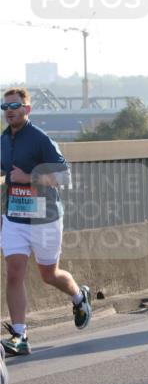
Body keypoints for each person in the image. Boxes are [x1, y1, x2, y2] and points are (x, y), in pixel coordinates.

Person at [1, 87, 93, 358]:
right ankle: (20, 335)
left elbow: (65, 178)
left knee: (48, 274)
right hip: (15, 218)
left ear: (27, 110)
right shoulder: (3, 141)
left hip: (45, 219)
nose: (9, 111)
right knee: (14, 272)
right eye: (5, 107)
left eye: (15, 106)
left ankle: (79, 297)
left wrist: (29, 177)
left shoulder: (41, 139)